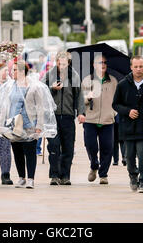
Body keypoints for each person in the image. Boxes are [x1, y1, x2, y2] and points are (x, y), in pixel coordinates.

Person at [0, 60, 57, 189]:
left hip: (29, 124)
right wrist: (1, 124)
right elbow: (5, 106)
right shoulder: (9, 86)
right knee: (17, 151)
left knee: (30, 151)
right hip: (13, 124)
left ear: (21, 71)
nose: (11, 72)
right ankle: (21, 177)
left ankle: (31, 178)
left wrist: (39, 126)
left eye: (14, 70)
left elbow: (40, 108)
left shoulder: (34, 87)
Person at [113, 56, 143, 193]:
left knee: (142, 155)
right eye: (136, 67)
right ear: (131, 67)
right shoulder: (123, 84)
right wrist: (127, 111)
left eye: (141, 66)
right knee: (129, 157)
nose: (139, 69)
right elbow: (115, 104)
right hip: (127, 127)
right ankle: (133, 175)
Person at [41, 51, 86, 186]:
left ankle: (65, 175)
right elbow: (41, 92)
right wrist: (52, 88)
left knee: (68, 147)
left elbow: (79, 96)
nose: (62, 66)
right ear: (57, 63)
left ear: (69, 63)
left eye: (65, 64)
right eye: (60, 64)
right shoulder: (49, 75)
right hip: (52, 116)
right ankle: (54, 175)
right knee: (54, 146)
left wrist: (81, 112)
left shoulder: (74, 76)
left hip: (68, 115)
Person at [81, 54, 118, 185]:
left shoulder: (113, 80)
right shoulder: (87, 80)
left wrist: (114, 112)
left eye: (104, 62)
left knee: (107, 148)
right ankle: (94, 165)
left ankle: (103, 174)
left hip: (108, 120)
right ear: (93, 65)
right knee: (90, 146)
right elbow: (81, 101)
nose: (102, 65)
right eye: (99, 62)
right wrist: (88, 98)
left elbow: (117, 99)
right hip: (90, 119)